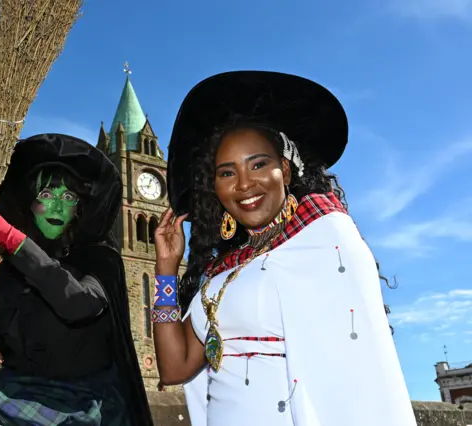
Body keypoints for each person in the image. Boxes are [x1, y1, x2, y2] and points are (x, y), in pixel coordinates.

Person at [150, 71, 417, 426]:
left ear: (286, 171)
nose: (244, 184)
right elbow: (173, 367)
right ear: (213, 186)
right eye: (227, 173)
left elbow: (356, 378)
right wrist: (166, 270)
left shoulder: (325, 236)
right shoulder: (222, 271)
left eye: (258, 164)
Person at [0, 133, 153, 426]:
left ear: (78, 209)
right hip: (15, 392)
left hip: (82, 399)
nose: (57, 206)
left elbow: (78, 303)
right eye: (46, 195)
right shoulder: (11, 270)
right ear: (30, 204)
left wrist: (12, 239)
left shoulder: (100, 260)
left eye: (68, 197)